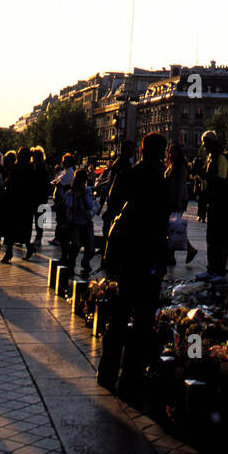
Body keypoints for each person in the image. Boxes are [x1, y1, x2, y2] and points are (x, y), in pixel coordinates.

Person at [97, 133, 169, 402]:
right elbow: (161, 224)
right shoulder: (159, 181)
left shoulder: (128, 174)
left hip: (127, 254)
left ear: (141, 149)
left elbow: (112, 209)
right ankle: (130, 379)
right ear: (160, 153)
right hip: (148, 256)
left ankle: (106, 373)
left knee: (119, 316)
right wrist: (162, 261)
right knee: (142, 322)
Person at [196, 132, 228, 281]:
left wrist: (207, 178)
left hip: (220, 204)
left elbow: (222, 181)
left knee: (219, 239)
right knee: (211, 238)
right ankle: (211, 269)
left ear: (212, 142)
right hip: (212, 202)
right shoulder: (210, 158)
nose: (203, 145)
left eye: (205, 142)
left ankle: (220, 271)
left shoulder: (220, 158)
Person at [1, 146, 37, 263]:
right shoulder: (28, 168)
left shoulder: (23, 168)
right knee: (17, 229)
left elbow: (12, 182)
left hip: (20, 202)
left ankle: (12, 252)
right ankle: (13, 251)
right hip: (20, 203)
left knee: (16, 229)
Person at [165, 142, 197, 265]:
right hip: (171, 200)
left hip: (177, 200)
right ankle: (174, 254)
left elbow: (181, 186)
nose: (171, 154)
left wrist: (179, 202)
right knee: (172, 228)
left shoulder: (181, 167)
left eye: (174, 151)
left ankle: (188, 250)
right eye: (170, 152)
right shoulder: (171, 166)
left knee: (173, 228)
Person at [100, 142, 134, 254]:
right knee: (114, 226)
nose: (133, 152)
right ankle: (109, 250)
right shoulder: (123, 164)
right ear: (124, 151)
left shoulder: (119, 162)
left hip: (115, 199)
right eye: (130, 150)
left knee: (110, 224)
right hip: (118, 200)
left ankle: (107, 249)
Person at [64, 168, 97, 274]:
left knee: (91, 249)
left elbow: (90, 205)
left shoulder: (87, 191)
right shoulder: (70, 193)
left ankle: (85, 261)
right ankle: (71, 262)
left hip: (86, 222)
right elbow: (68, 205)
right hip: (75, 223)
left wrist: (83, 196)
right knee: (76, 245)